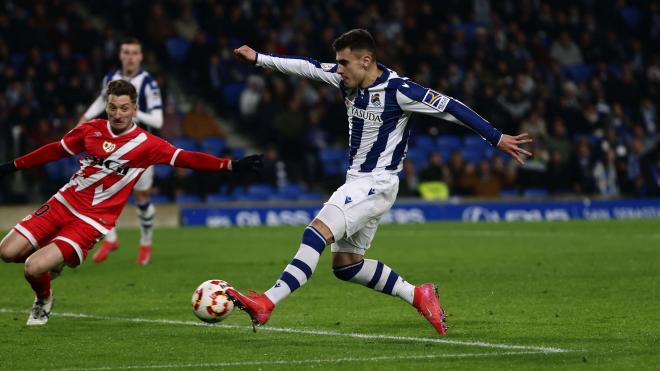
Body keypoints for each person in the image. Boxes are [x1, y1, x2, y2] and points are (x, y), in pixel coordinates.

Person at [227, 29, 532, 335]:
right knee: (347, 265)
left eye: (345, 63)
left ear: (366, 60)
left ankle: (267, 301)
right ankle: (417, 294)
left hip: (376, 182)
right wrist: (259, 59)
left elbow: (449, 106)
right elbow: (307, 66)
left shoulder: (400, 90)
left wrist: (496, 137)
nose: (339, 69)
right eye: (338, 63)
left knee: (315, 233)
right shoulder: (344, 78)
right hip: (360, 182)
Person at [0, 80, 262, 326]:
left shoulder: (147, 144)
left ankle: (43, 299)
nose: (118, 114)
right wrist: (12, 166)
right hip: (62, 203)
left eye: (124, 108)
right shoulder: (91, 130)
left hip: (92, 220)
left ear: (134, 109)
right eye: (112, 107)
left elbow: (187, 158)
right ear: (107, 107)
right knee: (7, 252)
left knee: (33, 267)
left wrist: (230, 165)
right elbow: (56, 150)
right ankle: (54, 260)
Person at [78, 38, 164, 265]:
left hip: (141, 148)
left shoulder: (149, 83)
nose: (130, 57)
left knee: (142, 197)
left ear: (141, 57)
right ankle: (110, 238)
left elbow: (158, 119)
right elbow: (100, 101)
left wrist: (132, 112)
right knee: (98, 191)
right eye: (126, 52)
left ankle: (145, 243)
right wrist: (83, 122)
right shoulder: (110, 79)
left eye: (135, 53)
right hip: (112, 146)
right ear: (120, 54)